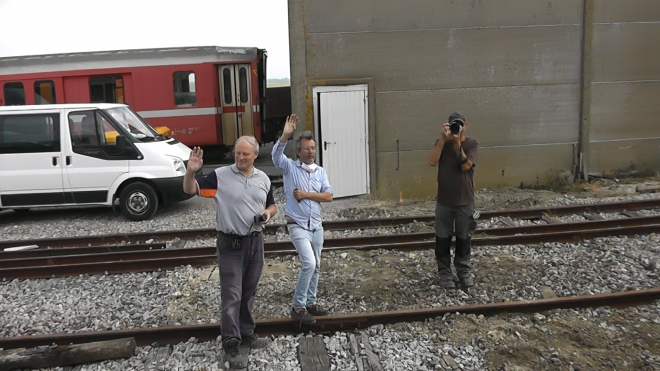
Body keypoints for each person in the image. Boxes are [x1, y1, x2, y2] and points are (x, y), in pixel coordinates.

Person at [183, 136, 277, 368]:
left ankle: (246, 333)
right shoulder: (220, 176)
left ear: (256, 154)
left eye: (245, 154)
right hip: (230, 244)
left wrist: (268, 213)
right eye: (237, 153)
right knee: (232, 295)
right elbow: (190, 190)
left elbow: (272, 204)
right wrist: (191, 172)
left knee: (249, 291)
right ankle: (231, 342)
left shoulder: (263, 178)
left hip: (256, 241)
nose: (241, 157)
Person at [271, 114, 333, 325]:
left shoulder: (320, 172)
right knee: (309, 263)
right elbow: (276, 158)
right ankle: (298, 308)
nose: (311, 152)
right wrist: (285, 135)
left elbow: (329, 196)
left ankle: (311, 303)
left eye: (313, 148)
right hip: (297, 224)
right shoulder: (290, 168)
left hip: (316, 225)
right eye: (306, 148)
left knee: (316, 265)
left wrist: (306, 194)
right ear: (298, 152)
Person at [427, 112, 480, 289]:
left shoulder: (471, 143)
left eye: (460, 125)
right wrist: (443, 139)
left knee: (464, 238)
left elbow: (466, 166)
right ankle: (444, 274)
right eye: (453, 125)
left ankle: (463, 272)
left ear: (465, 126)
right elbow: (431, 162)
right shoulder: (442, 143)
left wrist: (457, 144)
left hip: (465, 200)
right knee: (442, 239)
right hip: (444, 200)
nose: (457, 128)